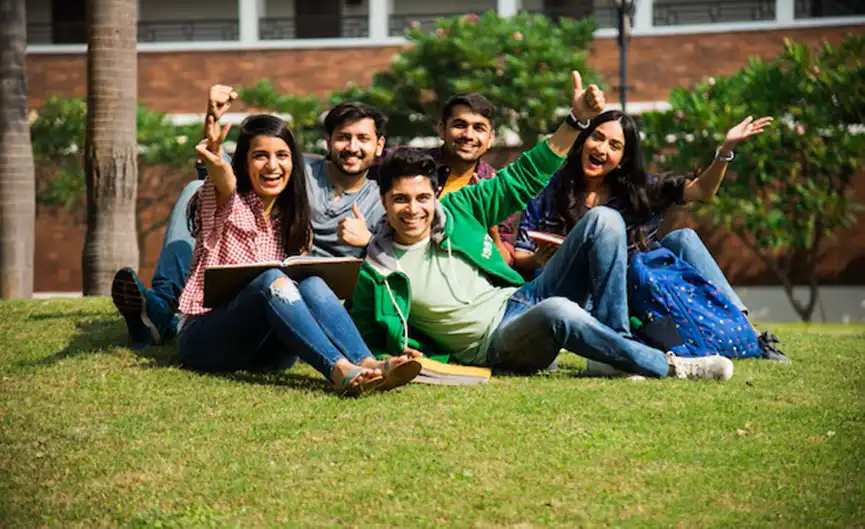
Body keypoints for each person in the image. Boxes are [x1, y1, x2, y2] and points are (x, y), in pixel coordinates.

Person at [349, 72, 735, 381]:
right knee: (558, 311)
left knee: (604, 219)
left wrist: (576, 121)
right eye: (400, 200)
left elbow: (523, 174)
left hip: (519, 299)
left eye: (422, 198)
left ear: (435, 195)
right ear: (383, 202)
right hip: (497, 342)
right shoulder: (378, 271)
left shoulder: (458, 208)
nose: (414, 210)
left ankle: (615, 347)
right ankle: (668, 366)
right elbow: (365, 336)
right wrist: (391, 360)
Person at [111, 86, 388, 349]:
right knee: (197, 191)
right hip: (259, 266)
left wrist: (368, 241)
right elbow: (234, 177)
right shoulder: (294, 168)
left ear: (379, 145)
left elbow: (400, 257)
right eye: (343, 137)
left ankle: (161, 317)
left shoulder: (381, 199)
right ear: (329, 141)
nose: (352, 147)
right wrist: (213, 123)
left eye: (363, 139)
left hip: (315, 294)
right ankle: (161, 303)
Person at [512, 109, 789, 363]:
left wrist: (725, 150)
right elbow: (519, 256)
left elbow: (701, 190)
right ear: (584, 140)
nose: (601, 149)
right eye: (597, 138)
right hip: (578, 295)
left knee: (683, 238)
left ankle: (746, 331)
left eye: (614, 146)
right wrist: (537, 258)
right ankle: (619, 339)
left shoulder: (638, 190)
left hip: (631, 289)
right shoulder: (550, 189)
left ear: (622, 160)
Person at [174, 110, 419, 395]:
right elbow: (223, 180)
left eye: (282, 155)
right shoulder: (228, 203)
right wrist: (215, 153)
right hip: (206, 340)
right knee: (270, 280)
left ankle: (366, 362)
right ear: (244, 161)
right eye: (260, 156)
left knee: (313, 282)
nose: (272, 166)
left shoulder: (293, 218)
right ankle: (339, 370)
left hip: (268, 352)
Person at [375, 93, 518, 265]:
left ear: (490, 138)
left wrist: (490, 227)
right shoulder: (408, 162)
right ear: (442, 129)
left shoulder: (494, 187)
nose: (468, 135)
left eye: (479, 128)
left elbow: (505, 262)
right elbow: (359, 160)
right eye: (460, 125)